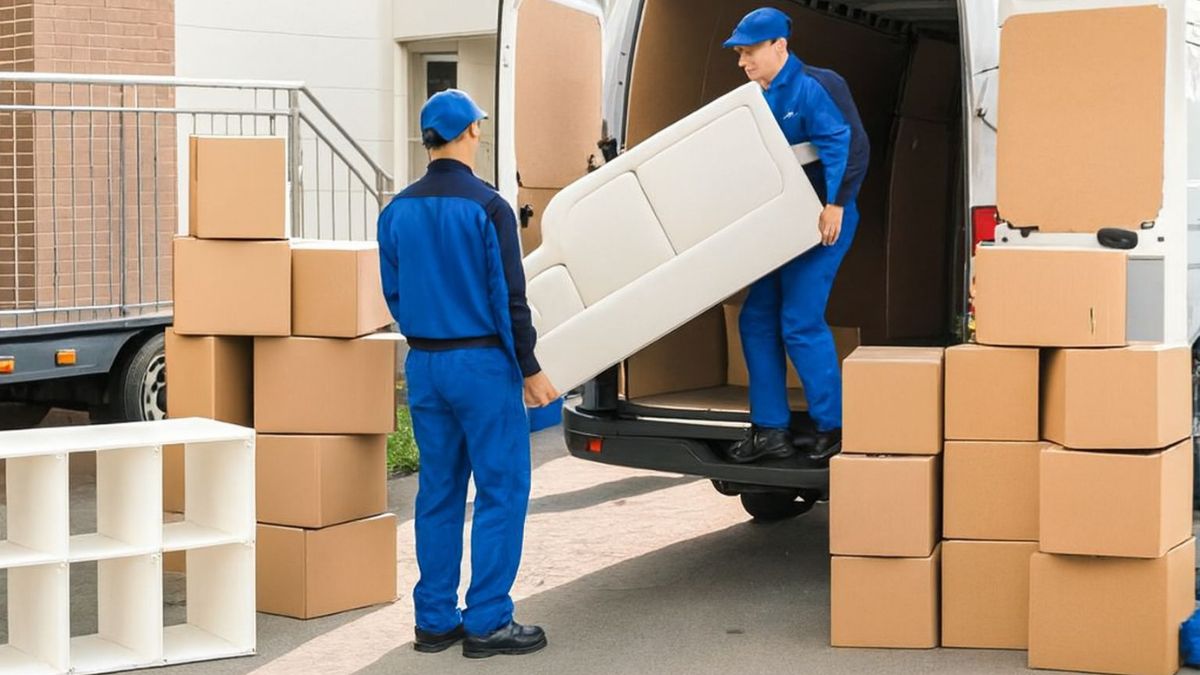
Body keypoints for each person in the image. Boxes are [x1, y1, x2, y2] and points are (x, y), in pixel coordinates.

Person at [376, 88, 559, 659]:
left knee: (439, 490)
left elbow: (395, 293)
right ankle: (487, 622)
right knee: (502, 489)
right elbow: (510, 297)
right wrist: (529, 369)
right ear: (471, 133)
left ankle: (434, 620)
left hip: (425, 362)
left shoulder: (395, 210)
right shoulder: (489, 207)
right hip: (480, 364)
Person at [722, 7, 869, 465]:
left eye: (749, 52)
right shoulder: (752, 98)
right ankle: (770, 431)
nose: (743, 62)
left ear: (779, 47)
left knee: (800, 320)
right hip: (777, 227)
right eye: (740, 54)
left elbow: (850, 146)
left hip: (823, 221)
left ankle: (834, 427)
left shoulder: (817, 86)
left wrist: (837, 203)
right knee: (756, 319)